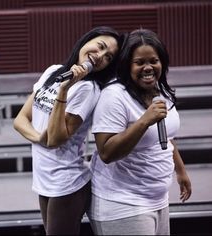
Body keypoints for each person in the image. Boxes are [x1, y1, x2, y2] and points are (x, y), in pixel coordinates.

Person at [13, 26, 121, 235]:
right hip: (44, 177)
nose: (99, 56)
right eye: (100, 47)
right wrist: (39, 138)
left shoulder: (87, 89)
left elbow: (55, 139)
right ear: (86, 40)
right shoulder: (53, 71)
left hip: (67, 183)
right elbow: (20, 120)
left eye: (108, 57)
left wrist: (64, 88)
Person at [87, 29, 192, 235]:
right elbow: (107, 152)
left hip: (158, 199)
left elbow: (166, 138)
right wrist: (144, 121)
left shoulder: (159, 91)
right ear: (127, 65)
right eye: (140, 62)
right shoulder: (114, 96)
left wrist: (180, 171)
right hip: (122, 203)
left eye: (154, 61)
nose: (148, 67)